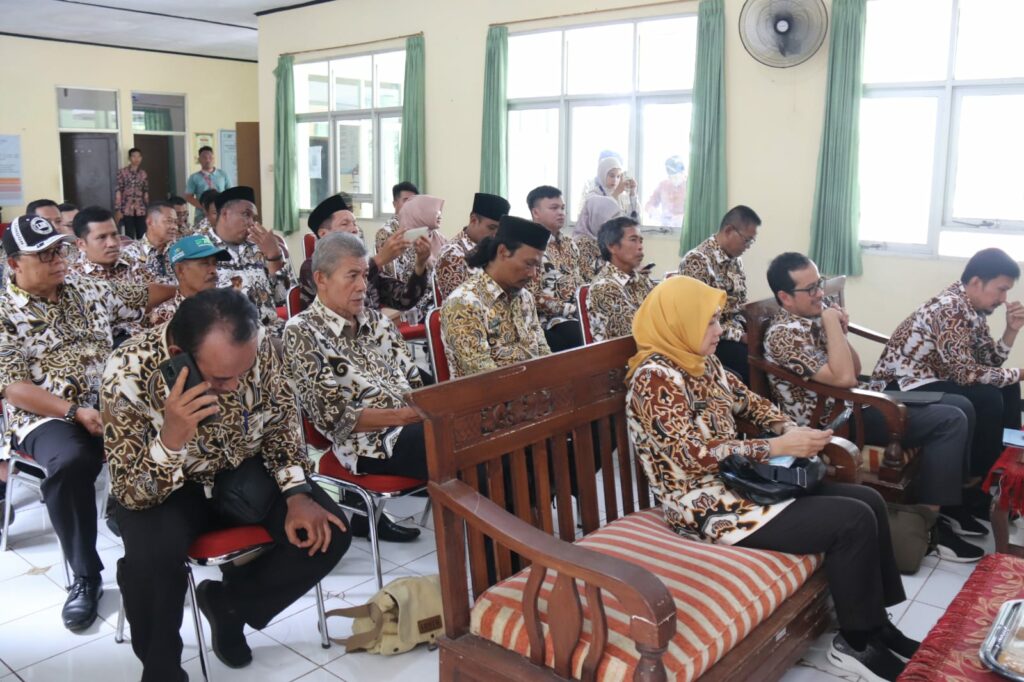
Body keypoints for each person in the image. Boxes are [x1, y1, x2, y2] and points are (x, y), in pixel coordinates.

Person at [626, 275, 918, 682]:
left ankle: (877, 625)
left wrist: (787, 428)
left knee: (868, 501)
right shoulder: (654, 378)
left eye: (717, 320)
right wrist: (775, 447)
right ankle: (855, 643)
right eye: (709, 322)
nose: (719, 330)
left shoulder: (701, 362)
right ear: (680, 323)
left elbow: (750, 402)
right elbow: (689, 455)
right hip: (703, 505)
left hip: (737, 481)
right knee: (850, 522)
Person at [102, 288, 350, 678]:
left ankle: (229, 606)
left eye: (242, 373)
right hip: (167, 487)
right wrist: (170, 439)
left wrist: (296, 492)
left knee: (328, 533)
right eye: (221, 378)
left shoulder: (257, 344)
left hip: (240, 472)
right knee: (150, 565)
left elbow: (282, 421)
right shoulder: (128, 368)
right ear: (178, 356)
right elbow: (130, 491)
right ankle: (162, 670)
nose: (235, 386)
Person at [0, 215, 173, 632]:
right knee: (71, 461)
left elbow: (141, 294)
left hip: (108, 402)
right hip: (46, 415)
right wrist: (73, 411)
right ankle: (85, 574)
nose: (58, 260)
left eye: (59, 251)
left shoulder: (86, 288)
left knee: (174, 427)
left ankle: (160, 547)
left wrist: (185, 283)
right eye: (44, 255)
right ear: (14, 264)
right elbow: (15, 388)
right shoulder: (5, 312)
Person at [764, 253, 984, 560]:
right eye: (810, 289)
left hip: (855, 403)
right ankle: (930, 527)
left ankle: (950, 505)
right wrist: (831, 324)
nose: (820, 293)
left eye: (819, 283)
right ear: (785, 297)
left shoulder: (811, 318)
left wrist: (839, 332)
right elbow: (845, 379)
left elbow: (853, 370)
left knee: (962, 404)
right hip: (836, 421)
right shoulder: (784, 335)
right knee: (950, 420)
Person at [285, 233, 425, 543]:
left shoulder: (376, 321)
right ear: (321, 279)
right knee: (454, 448)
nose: (363, 285)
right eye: (352, 276)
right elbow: (334, 419)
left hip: (411, 424)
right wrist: (405, 417)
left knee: (476, 438)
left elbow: (413, 380)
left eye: (364, 274)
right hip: (366, 444)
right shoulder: (302, 331)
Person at [871, 248, 1024, 487]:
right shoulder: (950, 308)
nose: (1004, 298)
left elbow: (989, 363)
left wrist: (1011, 330)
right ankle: (978, 480)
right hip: (900, 386)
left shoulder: (971, 309)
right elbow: (966, 374)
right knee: (988, 397)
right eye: (1001, 289)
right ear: (976, 282)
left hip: (931, 379)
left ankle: (1005, 463)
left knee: (1009, 387)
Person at [441, 215, 551, 378]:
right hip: (489, 392)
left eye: (537, 266)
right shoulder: (463, 303)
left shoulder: (525, 297)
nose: (533, 275)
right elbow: (484, 376)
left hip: (533, 387)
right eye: (529, 264)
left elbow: (544, 354)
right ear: (502, 251)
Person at [299, 194, 430, 313]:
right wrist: (380, 259)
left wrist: (420, 265)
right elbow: (333, 313)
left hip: (371, 330)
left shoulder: (366, 265)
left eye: (355, 223)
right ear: (323, 234)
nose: (354, 229)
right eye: (345, 224)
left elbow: (405, 300)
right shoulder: (311, 268)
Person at [679, 205, 762, 384]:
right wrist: (740, 336)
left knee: (766, 349)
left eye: (752, 242)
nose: (748, 246)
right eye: (747, 240)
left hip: (734, 331)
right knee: (750, 363)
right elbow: (698, 320)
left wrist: (753, 327)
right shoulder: (697, 261)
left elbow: (740, 303)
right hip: (710, 339)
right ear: (729, 230)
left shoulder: (735, 260)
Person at [201, 186, 293, 337]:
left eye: (253, 217)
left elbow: (282, 298)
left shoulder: (259, 246)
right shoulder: (202, 249)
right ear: (225, 214)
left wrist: (274, 256)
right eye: (246, 214)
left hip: (272, 330)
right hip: (230, 336)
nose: (251, 223)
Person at [69, 206, 161, 342]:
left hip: (147, 340)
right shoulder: (73, 278)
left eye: (114, 234)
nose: (112, 243)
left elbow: (159, 301)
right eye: (101, 237)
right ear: (81, 244)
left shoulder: (133, 265)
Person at [526, 185, 587, 352]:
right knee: (578, 335)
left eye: (562, 208)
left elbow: (580, 280)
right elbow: (532, 296)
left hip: (577, 313)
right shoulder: (529, 245)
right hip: (548, 320)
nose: (561, 212)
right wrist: (572, 310)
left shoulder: (569, 244)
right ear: (535, 212)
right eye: (554, 208)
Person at [379, 192, 445, 321]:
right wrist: (421, 264)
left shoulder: (438, 238)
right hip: (416, 309)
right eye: (435, 211)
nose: (439, 215)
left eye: (439, 211)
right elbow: (403, 288)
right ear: (420, 213)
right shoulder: (404, 243)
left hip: (439, 304)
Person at [587, 217, 654, 343]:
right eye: (633, 240)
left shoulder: (641, 280)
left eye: (641, 241)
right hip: (625, 353)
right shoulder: (604, 288)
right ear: (612, 246)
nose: (640, 247)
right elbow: (636, 333)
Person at [434, 192, 510, 303]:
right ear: (473, 220)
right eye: (491, 228)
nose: (495, 235)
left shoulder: (495, 250)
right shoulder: (452, 255)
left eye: (499, 231)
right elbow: (459, 301)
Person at [147, 234, 230, 327]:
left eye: (214, 263)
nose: (213, 270)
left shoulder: (227, 306)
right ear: (180, 270)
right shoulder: (168, 318)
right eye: (204, 263)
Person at [121, 201, 180, 285]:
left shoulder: (178, 250)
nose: (174, 227)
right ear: (150, 222)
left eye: (175, 222)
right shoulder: (130, 255)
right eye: (169, 221)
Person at [573, 195, 622, 279]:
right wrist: (626, 273)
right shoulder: (582, 244)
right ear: (597, 219)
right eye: (611, 220)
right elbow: (591, 279)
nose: (616, 227)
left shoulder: (601, 242)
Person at [579, 154, 638, 221]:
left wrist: (633, 193)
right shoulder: (593, 195)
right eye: (612, 176)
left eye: (618, 176)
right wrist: (616, 193)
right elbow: (599, 219)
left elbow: (633, 218)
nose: (615, 180)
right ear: (602, 174)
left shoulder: (621, 196)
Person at [114, 147, 149, 240]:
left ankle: (142, 249)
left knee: (142, 234)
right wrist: (118, 209)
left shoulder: (143, 174)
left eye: (138, 156)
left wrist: (148, 209)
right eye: (134, 156)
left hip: (140, 209)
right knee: (129, 235)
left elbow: (145, 192)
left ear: (141, 158)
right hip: (127, 208)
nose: (136, 159)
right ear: (129, 158)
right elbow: (118, 191)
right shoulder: (122, 172)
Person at [185, 145, 229, 219]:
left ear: (214, 159)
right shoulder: (194, 177)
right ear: (199, 160)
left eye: (210, 157)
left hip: (221, 213)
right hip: (201, 216)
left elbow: (229, 192)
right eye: (204, 157)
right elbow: (188, 197)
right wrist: (204, 207)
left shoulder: (223, 174)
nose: (208, 160)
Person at [644, 155, 688, 228]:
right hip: (666, 229)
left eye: (676, 177)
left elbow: (698, 211)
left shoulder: (690, 188)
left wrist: (684, 218)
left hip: (684, 229)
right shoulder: (663, 185)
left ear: (683, 173)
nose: (673, 180)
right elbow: (648, 205)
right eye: (670, 177)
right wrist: (653, 212)